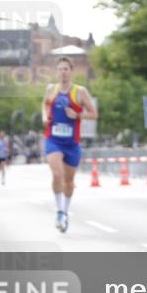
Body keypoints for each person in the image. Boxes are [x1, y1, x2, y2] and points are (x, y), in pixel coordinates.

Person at [43, 57, 98, 233]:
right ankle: (59, 211)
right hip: (53, 139)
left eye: (66, 69)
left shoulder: (80, 92)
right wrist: (45, 117)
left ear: (71, 71)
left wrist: (77, 115)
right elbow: (45, 104)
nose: (63, 72)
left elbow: (94, 114)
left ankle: (65, 212)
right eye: (60, 69)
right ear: (56, 71)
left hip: (72, 143)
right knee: (57, 174)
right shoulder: (51, 89)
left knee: (69, 181)